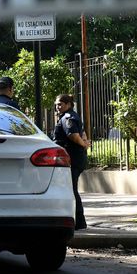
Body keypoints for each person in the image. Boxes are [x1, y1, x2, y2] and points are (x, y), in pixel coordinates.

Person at [53, 93, 90, 230]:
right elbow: (82, 132)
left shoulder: (68, 117)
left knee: (71, 190)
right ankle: (78, 222)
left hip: (72, 159)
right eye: (56, 104)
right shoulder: (71, 116)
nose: (57, 107)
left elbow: (73, 135)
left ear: (68, 104)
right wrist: (84, 141)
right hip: (73, 158)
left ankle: (79, 222)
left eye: (60, 104)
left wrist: (83, 144)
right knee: (71, 189)